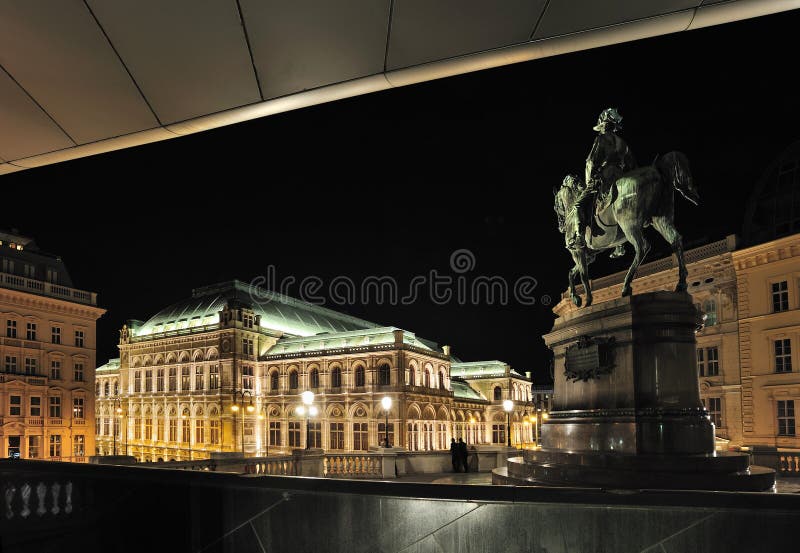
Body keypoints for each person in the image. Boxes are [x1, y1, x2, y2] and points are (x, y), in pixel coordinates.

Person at [573, 107, 636, 258]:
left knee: (578, 205)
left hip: (606, 176)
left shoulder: (601, 139)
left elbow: (591, 161)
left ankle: (580, 238)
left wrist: (590, 181)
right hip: (622, 177)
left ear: (603, 125)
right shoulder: (623, 143)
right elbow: (633, 165)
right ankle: (619, 245)